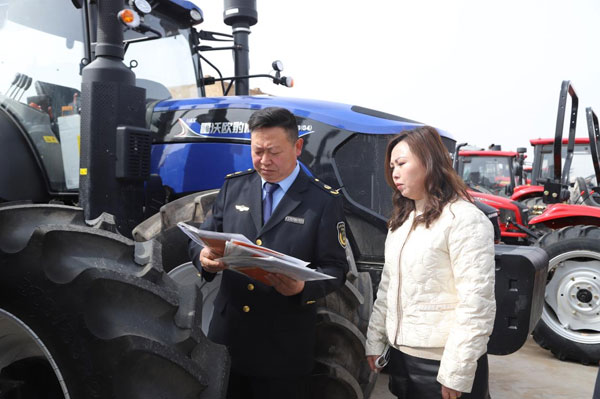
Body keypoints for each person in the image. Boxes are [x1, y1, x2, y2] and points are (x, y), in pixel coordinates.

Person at [188, 106, 348, 399]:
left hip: (282, 351)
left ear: (297, 147)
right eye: (257, 151)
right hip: (227, 342)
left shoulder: (322, 201)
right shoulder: (234, 187)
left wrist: (302, 287)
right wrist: (203, 258)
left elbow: (336, 269)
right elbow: (202, 239)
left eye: (273, 152)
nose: (264, 161)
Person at [365, 126, 496, 399]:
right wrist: (375, 340)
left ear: (429, 162)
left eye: (401, 163)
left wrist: (456, 372)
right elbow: (387, 289)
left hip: (441, 364)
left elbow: (476, 303)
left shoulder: (464, 220)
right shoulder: (400, 222)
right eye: (391, 166)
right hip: (402, 357)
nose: (394, 173)